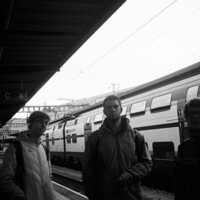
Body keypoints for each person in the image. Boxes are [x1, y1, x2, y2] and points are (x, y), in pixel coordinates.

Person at [82, 95, 152, 200]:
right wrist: (92, 195)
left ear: (121, 109)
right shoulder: (95, 138)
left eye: (115, 106)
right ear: (104, 111)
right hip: (105, 195)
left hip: (131, 194)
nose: (113, 109)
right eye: (109, 107)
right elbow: (87, 171)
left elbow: (146, 162)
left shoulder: (136, 136)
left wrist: (131, 173)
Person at [0, 111, 56, 200]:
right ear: (30, 124)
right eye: (40, 122)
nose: (44, 125)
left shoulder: (44, 149)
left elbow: (49, 176)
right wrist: (20, 196)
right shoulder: (16, 148)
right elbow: (5, 180)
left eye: (46, 123)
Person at [174, 98, 200, 200]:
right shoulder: (183, 148)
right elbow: (179, 183)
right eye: (191, 114)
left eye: (199, 112)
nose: (196, 117)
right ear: (186, 118)